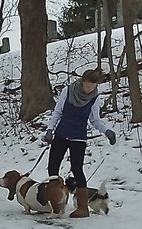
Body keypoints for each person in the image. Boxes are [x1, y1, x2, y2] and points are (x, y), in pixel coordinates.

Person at [42, 68, 116, 218]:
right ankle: (55, 201)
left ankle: (83, 208)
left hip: (78, 138)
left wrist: (107, 131)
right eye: (88, 86)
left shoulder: (94, 98)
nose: (90, 89)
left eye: (93, 86)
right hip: (61, 134)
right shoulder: (68, 91)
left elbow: (94, 119)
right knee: (53, 168)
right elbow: (58, 112)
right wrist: (50, 130)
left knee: (77, 170)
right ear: (82, 82)